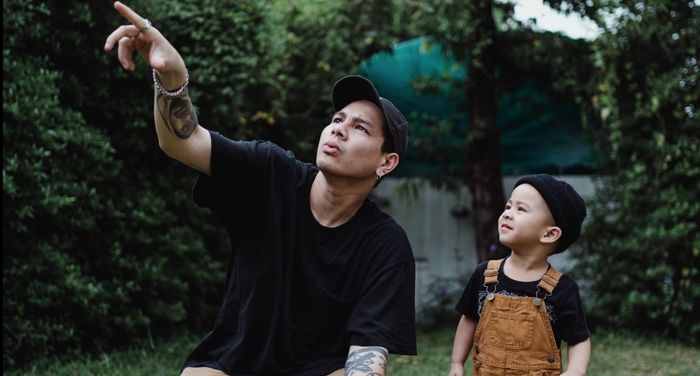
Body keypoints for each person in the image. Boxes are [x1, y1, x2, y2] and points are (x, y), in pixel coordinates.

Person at [104, 2, 416, 375]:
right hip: (230, 364)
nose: (337, 129)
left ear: (387, 162)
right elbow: (182, 143)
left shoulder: (385, 244)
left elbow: (365, 357)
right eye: (336, 119)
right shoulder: (271, 173)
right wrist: (172, 79)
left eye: (360, 128)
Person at [449, 174, 591, 376]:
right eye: (508, 207)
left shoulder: (562, 288)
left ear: (549, 234)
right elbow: (469, 319)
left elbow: (579, 338)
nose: (507, 214)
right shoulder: (485, 275)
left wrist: (576, 370)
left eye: (521, 209)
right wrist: (456, 362)